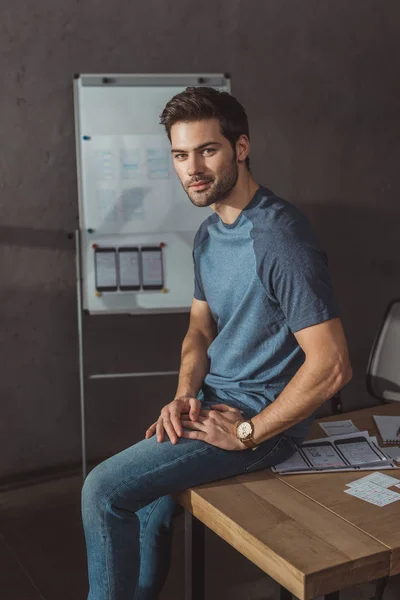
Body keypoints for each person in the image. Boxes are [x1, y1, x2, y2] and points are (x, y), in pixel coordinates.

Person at [81, 87, 352, 600]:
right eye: (181, 156)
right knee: (147, 508)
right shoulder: (209, 234)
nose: (193, 168)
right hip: (211, 406)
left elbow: (333, 365)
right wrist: (186, 393)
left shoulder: (279, 239)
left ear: (241, 148)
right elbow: (200, 331)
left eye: (208, 150)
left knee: (102, 490)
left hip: (262, 424)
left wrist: (250, 431)